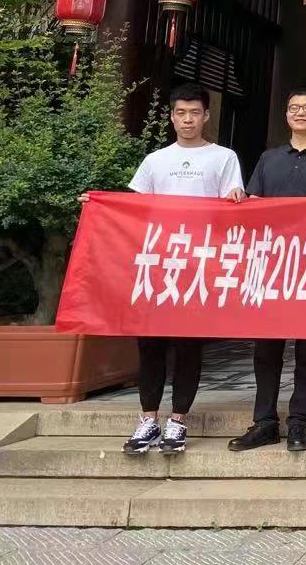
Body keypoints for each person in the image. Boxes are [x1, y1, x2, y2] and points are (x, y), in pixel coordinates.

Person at [114, 83, 244, 455]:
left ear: (206, 116)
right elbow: (135, 210)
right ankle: (147, 420)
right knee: (150, 344)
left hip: (198, 264)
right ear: (172, 117)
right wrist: (98, 204)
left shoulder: (224, 158)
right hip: (158, 262)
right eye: (181, 113)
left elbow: (232, 208)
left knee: (189, 345)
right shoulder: (155, 160)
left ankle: (177, 421)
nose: (188, 120)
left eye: (195, 113)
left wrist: (237, 199)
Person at [228, 87, 306, 455]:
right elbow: (254, 206)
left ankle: (300, 420)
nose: (299, 113)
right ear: (286, 114)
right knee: (266, 347)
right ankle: (264, 422)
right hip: (271, 264)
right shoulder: (269, 159)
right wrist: (240, 200)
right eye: (293, 107)